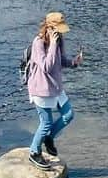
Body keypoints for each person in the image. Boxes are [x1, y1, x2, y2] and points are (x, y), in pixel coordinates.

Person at [26, 12, 83, 169]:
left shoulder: (58, 40)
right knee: (46, 123)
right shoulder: (38, 43)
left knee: (68, 115)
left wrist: (73, 62)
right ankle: (34, 152)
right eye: (58, 30)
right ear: (50, 27)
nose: (60, 33)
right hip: (41, 89)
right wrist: (52, 44)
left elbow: (60, 61)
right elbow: (46, 67)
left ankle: (49, 137)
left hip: (55, 88)